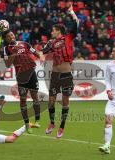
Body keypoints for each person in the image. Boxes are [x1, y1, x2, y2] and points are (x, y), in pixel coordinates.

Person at [40, 4, 79, 138]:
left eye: (53, 30)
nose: (51, 32)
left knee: (65, 101)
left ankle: (62, 126)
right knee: (51, 100)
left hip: (66, 74)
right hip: (55, 75)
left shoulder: (68, 38)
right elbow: (42, 51)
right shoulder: (51, 43)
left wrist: (72, 12)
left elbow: (76, 23)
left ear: (58, 31)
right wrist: (41, 56)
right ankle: (52, 123)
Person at [2, 30, 41, 134]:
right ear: (6, 39)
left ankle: (37, 120)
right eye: (8, 36)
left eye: (12, 34)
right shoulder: (6, 49)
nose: (11, 36)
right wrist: (14, 53)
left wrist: (41, 57)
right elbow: (7, 64)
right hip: (21, 76)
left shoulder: (24, 44)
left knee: (35, 97)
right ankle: (27, 124)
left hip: (31, 72)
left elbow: (35, 52)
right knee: (23, 100)